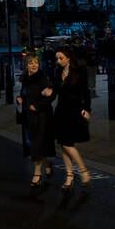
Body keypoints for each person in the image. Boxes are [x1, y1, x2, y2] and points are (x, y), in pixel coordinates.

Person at [42, 45, 91, 189]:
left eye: (61, 58)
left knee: (68, 144)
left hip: (74, 111)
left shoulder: (78, 72)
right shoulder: (58, 72)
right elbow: (55, 91)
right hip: (61, 111)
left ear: (68, 58)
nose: (58, 61)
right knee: (63, 144)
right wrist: (48, 92)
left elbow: (85, 93)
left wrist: (87, 109)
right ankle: (70, 174)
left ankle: (83, 171)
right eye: (57, 58)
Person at [16, 51, 55, 188]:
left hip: (41, 117)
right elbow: (24, 94)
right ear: (26, 65)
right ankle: (47, 163)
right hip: (28, 117)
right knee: (34, 144)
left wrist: (36, 106)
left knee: (37, 144)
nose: (34, 65)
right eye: (31, 63)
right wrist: (20, 99)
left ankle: (37, 174)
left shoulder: (42, 78)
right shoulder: (25, 79)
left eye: (36, 63)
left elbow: (51, 96)